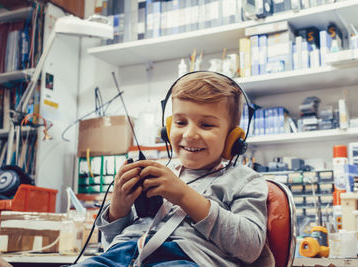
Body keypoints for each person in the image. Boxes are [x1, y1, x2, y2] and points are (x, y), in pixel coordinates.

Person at [74, 72, 273, 266]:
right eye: (180, 122)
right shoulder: (157, 171)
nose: (189, 134)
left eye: (206, 125)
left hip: (186, 258)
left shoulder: (245, 180)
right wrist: (119, 207)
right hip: (121, 253)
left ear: (233, 138)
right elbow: (110, 240)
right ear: (167, 129)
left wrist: (183, 194)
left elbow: (250, 247)